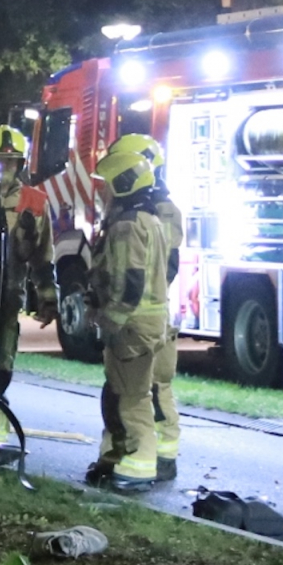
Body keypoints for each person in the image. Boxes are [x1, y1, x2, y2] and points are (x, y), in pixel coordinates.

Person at [84, 139, 180, 492]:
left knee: (132, 396)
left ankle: (138, 466)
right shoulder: (151, 217)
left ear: (122, 184)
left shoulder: (126, 225)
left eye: (107, 184)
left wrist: (110, 322)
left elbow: (129, 280)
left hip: (133, 326)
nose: (103, 191)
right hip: (151, 322)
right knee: (136, 392)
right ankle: (130, 459)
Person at [0, 124, 39, 450]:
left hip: (10, 296)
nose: (4, 168)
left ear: (21, 164)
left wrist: (49, 298)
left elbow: (44, 254)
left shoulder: (32, 202)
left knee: (2, 361)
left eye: (11, 162)